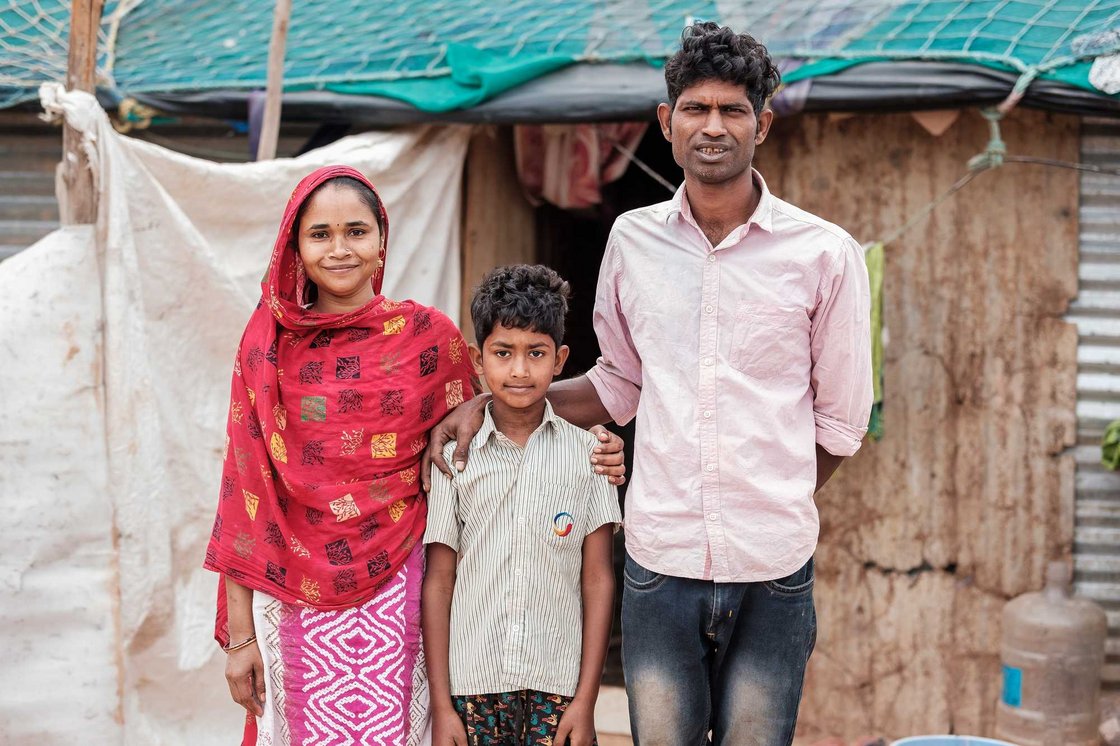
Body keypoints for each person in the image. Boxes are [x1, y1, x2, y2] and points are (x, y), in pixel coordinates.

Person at [425, 22, 873, 746]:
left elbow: (841, 424)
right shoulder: (633, 240)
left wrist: (769, 499)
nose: (713, 127)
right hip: (659, 564)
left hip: (774, 567)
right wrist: (486, 402)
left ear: (763, 123)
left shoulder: (824, 255)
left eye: (733, 110)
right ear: (666, 122)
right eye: (696, 108)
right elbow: (617, 385)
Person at [203, 165, 485, 744]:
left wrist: (594, 447)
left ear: (382, 241)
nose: (339, 250)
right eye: (320, 234)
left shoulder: (428, 338)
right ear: (295, 247)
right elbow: (243, 490)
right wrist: (239, 637)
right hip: (288, 594)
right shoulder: (266, 348)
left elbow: (493, 439)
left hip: (404, 587)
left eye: (356, 232)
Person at [423, 264, 621, 746]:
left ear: (560, 359)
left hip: (557, 688)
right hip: (473, 687)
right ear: (477, 359)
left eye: (536, 353)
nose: (518, 370)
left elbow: (596, 578)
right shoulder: (454, 462)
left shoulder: (588, 456)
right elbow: (439, 581)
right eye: (502, 353)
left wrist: (586, 700)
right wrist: (442, 704)